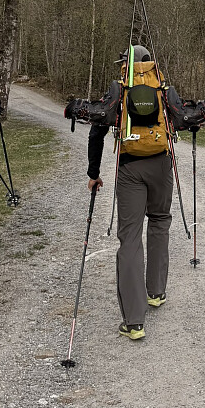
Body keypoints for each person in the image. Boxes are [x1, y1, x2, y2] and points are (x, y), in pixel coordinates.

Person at [86, 45, 173, 341]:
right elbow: (179, 120)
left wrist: (94, 173)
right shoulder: (162, 86)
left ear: (128, 64)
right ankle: (156, 292)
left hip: (130, 168)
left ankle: (135, 322)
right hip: (162, 165)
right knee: (159, 220)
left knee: (131, 237)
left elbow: (97, 129)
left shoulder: (119, 89)